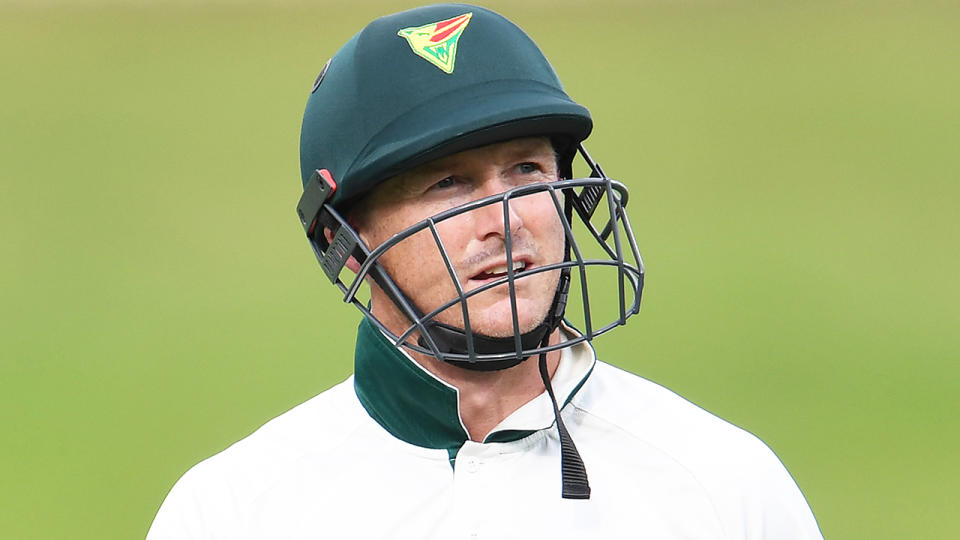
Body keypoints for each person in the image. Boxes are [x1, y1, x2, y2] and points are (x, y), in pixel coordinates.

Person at [147, 4, 823, 539]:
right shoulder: (234, 513)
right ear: (344, 241)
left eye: (527, 170)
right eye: (448, 184)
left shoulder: (723, 485)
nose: (505, 219)